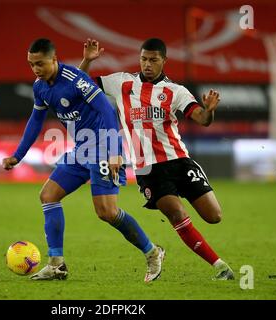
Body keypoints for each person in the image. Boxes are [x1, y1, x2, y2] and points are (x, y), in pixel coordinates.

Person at [2, 38, 164, 282]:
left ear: (54, 60)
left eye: (40, 63)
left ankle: (152, 252)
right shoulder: (40, 87)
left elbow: (107, 111)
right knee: (48, 196)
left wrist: (114, 152)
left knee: (107, 212)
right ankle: (56, 264)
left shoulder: (75, 79)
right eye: (31, 64)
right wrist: (18, 155)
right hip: (81, 149)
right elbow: (35, 121)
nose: (35, 69)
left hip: (102, 146)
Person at [79, 38, 234, 280]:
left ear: (164, 61)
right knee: (176, 214)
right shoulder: (122, 81)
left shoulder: (176, 91)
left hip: (179, 161)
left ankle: (215, 262)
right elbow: (82, 84)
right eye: (143, 59)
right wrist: (88, 61)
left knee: (214, 216)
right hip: (148, 168)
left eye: (153, 59)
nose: (147, 64)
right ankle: (220, 266)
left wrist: (210, 110)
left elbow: (202, 119)